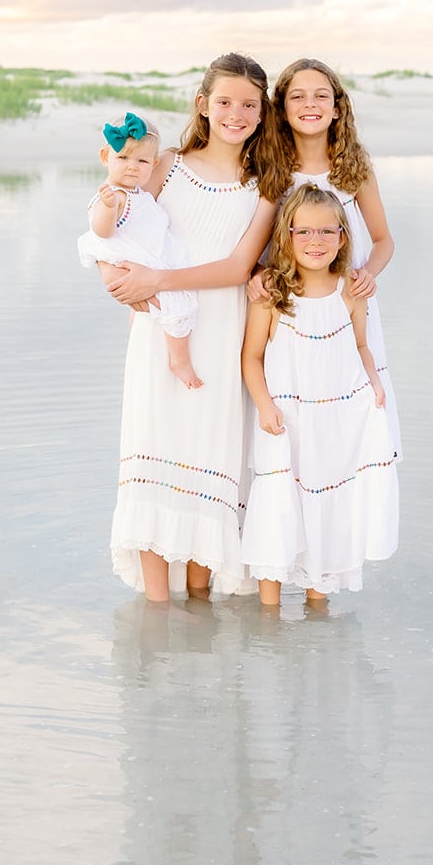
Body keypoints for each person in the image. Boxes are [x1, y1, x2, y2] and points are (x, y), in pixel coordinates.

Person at [100, 53, 278, 602]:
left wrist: (159, 277)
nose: (236, 113)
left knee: (209, 454)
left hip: (223, 328)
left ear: (261, 112)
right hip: (161, 331)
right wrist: (122, 283)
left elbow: (238, 267)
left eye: (250, 105)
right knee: (155, 449)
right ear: (203, 104)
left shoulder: (265, 184)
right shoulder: (167, 164)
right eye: (224, 101)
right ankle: (157, 609)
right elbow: (118, 231)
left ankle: (198, 604)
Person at [240, 183, 398, 606]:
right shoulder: (272, 293)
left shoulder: (350, 290)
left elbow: (361, 346)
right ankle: (268, 617)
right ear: (286, 236)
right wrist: (264, 406)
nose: (316, 241)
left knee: (327, 507)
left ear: (343, 237)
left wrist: (374, 385)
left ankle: (317, 608)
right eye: (304, 232)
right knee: (278, 505)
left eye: (327, 232)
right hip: (285, 422)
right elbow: (251, 358)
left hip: (334, 422)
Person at [255, 57, 402, 458]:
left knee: (352, 416)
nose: (310, 104)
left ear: (337, 107)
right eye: (297, 96)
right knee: (292, 417)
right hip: (284, 307)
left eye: (321, 96)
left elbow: (384, 239)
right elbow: (250, 240)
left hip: (346, 305)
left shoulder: (353, 168)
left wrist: (368, 273)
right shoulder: (269, 168)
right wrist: (255, 272)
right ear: (282, 109)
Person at [77, 111, 202, 389]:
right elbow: (102, 231)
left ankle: (153, 340)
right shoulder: (113, 196)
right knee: (178, 305)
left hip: (152, 259)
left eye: (142, 161)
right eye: (122, 158)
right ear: (104, 157)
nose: (132, 166)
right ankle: (179, 360)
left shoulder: (139, 194)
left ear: (154, 164)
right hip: (135, 260)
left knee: (175, 303)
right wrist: (108, 210)